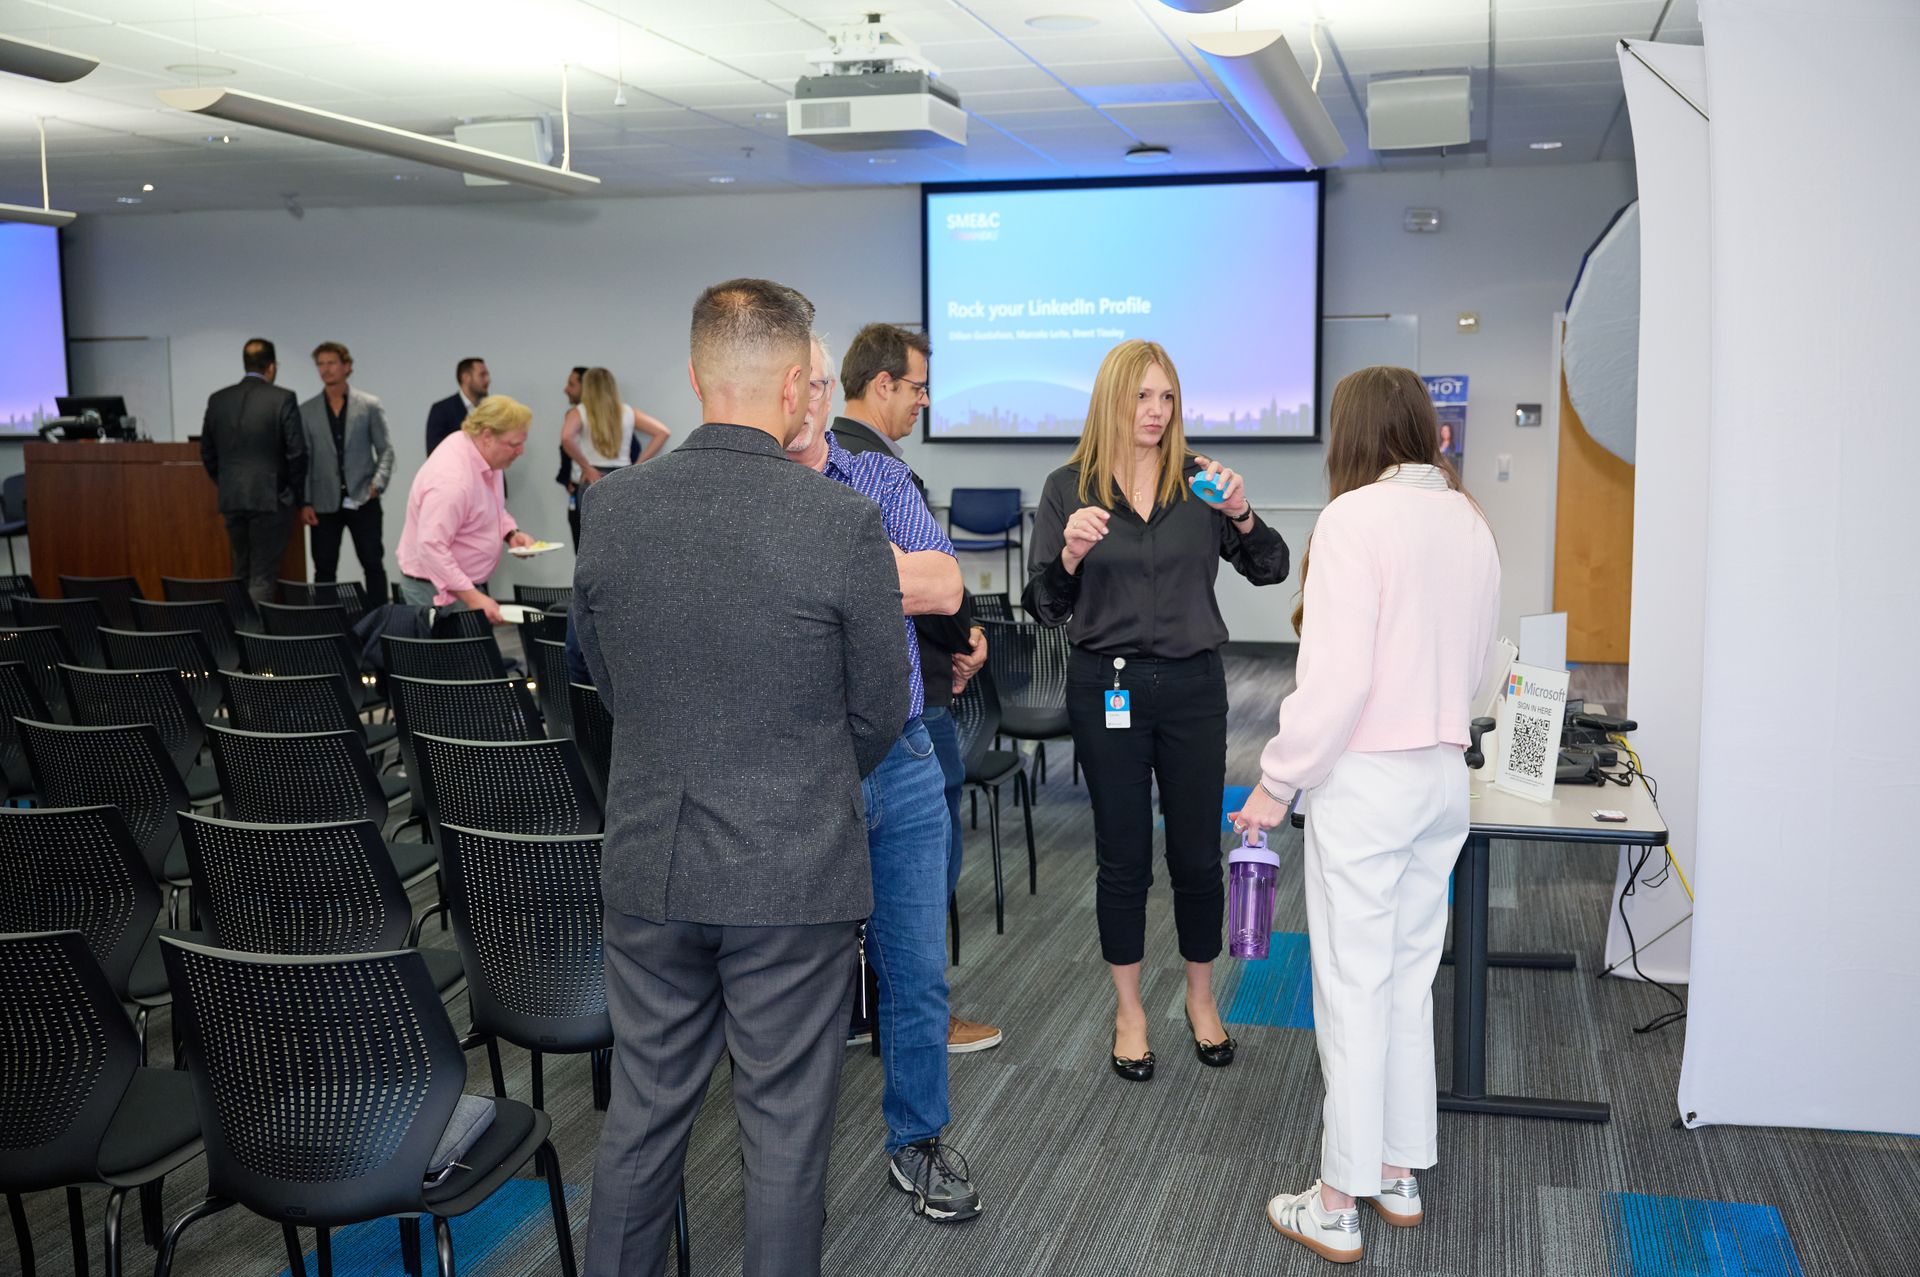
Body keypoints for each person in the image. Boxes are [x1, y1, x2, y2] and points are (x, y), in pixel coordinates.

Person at [579, 278, 911, 1277]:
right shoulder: (840, 520)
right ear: (802, 390)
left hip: (651, 860)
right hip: (791, 874)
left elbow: (602, 679)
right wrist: (802, 781)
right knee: (782, 1137)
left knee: (639, 1119)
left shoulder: (612, 507)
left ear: (694, 375)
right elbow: (880, 708)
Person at [1230, 366, 1500, 1266]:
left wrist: (1275, 782)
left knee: (1351, 984)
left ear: (1351, 434)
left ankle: (1337, 1201)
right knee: (1406, 979)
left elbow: (1334, 682)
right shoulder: (1468, 520)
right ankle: (1397, 1169)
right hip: (1441, 779)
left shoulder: (1353, 520)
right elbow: (1477, 668)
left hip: (1369, 783)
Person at [1024, 338, 1290, 1083]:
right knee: (1123, 855)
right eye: (1142, 396)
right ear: (1112, 399)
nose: (1156, 411)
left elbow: (1271, 568)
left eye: (1167, 397)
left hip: (1193, 688)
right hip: (1105, 686)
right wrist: (1069, 557)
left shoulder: (1202, 482)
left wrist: (1239, 513)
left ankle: (1202, 1001)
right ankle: (1131, 1011)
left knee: (1197, 855)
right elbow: (1044, 606)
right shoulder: (1065, 487)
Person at [785, 335, 987, 1222]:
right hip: (801, 764)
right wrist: (874, 578)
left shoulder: (875, 481)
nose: (813, 400)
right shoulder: (751, 494)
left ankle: (918, 1139)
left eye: (824, 384)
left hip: (901, 753)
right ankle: (787, 1160)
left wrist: (823, 573)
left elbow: (943, 584)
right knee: (796, 975)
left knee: (915, 965)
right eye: (804, 385)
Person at [831, 323, 999, 1053]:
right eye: (918, 387)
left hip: (878, 696)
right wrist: (965, 644)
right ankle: (916, 1017)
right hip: (910, 703)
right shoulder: (874, 474)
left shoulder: (840, 462)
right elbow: (924, 588)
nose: (925, 401)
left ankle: (872, 1011)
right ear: (881, 384)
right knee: (921, 877)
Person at [395, 394, 539, 624]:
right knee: (453, 659)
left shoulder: (484, 455)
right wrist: (473, 597)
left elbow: (490, 507)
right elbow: (431, 546)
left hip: (461, 586)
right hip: (433, 590)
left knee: (475, 658)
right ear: (487, 436)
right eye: (514, 444)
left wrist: (511, 533)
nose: (520, 451)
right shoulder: (452, 480)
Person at [198, 337, 309, 604]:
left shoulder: (218, 399)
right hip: (270, 499)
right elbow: (297, 453)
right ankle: (255, 642)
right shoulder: (283, 398)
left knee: (241, 572)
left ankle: (239, 637)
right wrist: (291, 492)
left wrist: (225, 482)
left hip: (233, 498)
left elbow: (207, 452)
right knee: (262, 575)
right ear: (271, 367)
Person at [298, 341, 395, 604]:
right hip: (323, 500)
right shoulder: (307, 411)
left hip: (363, 497)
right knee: (324, 568)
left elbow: (386, 450)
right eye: (320, 364)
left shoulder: (369, 404)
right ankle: (326, 625)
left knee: (372, 562)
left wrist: (377, 484)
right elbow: (303, 459)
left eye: (331, 363)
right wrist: (305, 501)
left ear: (346, 366)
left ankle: (378, 619)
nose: (325, 369)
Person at [560, 366, 671, 534]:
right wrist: (637, 466)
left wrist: (586, 468)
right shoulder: (627, 411)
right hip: (623, 477)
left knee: (592, 538)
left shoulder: (579, 412)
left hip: (593, 479)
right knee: (623, 536)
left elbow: (566, 437)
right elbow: (663, 432)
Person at [424, 356, 489, 456]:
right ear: (466, 377)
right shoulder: (442, 410)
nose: (488, 380)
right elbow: (434, 453)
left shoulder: (490, 410)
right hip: (457, 470)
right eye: (482, 375)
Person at [557, 365, 587, 545]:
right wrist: (567, 478)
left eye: (571, 384)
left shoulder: (613, 415)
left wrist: (588, 468)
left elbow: (566, 439)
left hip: (587, 486)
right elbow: (565, 447)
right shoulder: (573, 414)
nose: (566, 389)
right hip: (578, 488)